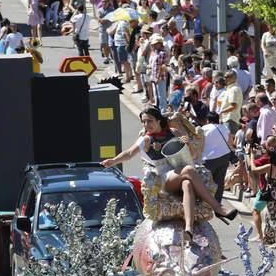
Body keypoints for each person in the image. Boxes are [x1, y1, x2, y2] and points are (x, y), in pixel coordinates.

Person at [101, 108, 237, 242]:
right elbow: (129, 153)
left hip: (180, 173)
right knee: (189, 170)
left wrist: (187, 143)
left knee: (187, 184)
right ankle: (217, 207)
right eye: (143, 122)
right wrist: (113, 161)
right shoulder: (147, 139)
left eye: (150, 121)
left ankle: (188, 229)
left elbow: (194, 155)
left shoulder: (174, 133)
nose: (146, 125)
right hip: (164, 179)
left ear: (159, 120)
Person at [249, 141, 276, 248]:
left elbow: (254, 169)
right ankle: (271, 239)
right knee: (274, 217)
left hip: (273, 194)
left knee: (274, 217)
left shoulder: (270, 167)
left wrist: (251, 156)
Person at [201, 111, 234, 203]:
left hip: (208, 158)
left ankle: (205, 202)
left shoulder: (204, 128)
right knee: (220, 181)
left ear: (208, 120)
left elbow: (201, 144)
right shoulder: (224, 128)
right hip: (224, 156)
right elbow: (230, 142)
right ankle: (217, 203)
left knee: (206, 181)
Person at [217, 70, 243, 134]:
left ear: (232, 78)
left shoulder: (233, 89)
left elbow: (233, 106)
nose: (224, 78)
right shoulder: (230, 89)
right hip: (227, 118)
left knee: (229, 141)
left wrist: (221, 112)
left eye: (226, 77)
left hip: (230, 119)